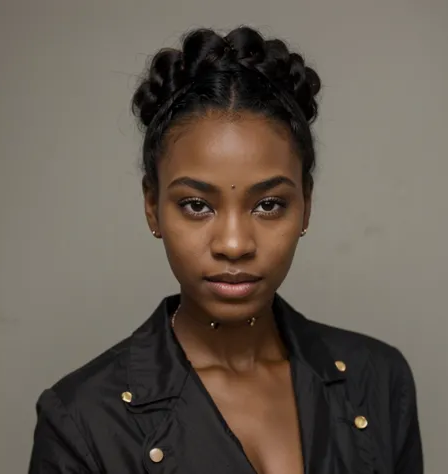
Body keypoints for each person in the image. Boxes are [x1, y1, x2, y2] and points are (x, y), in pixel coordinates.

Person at [28, 26, 423, 474]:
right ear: (153, 207)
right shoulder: (82, 420)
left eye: (269, 204)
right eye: (196, 205)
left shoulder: (378, 379)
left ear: (306, 206)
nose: (234, 244)